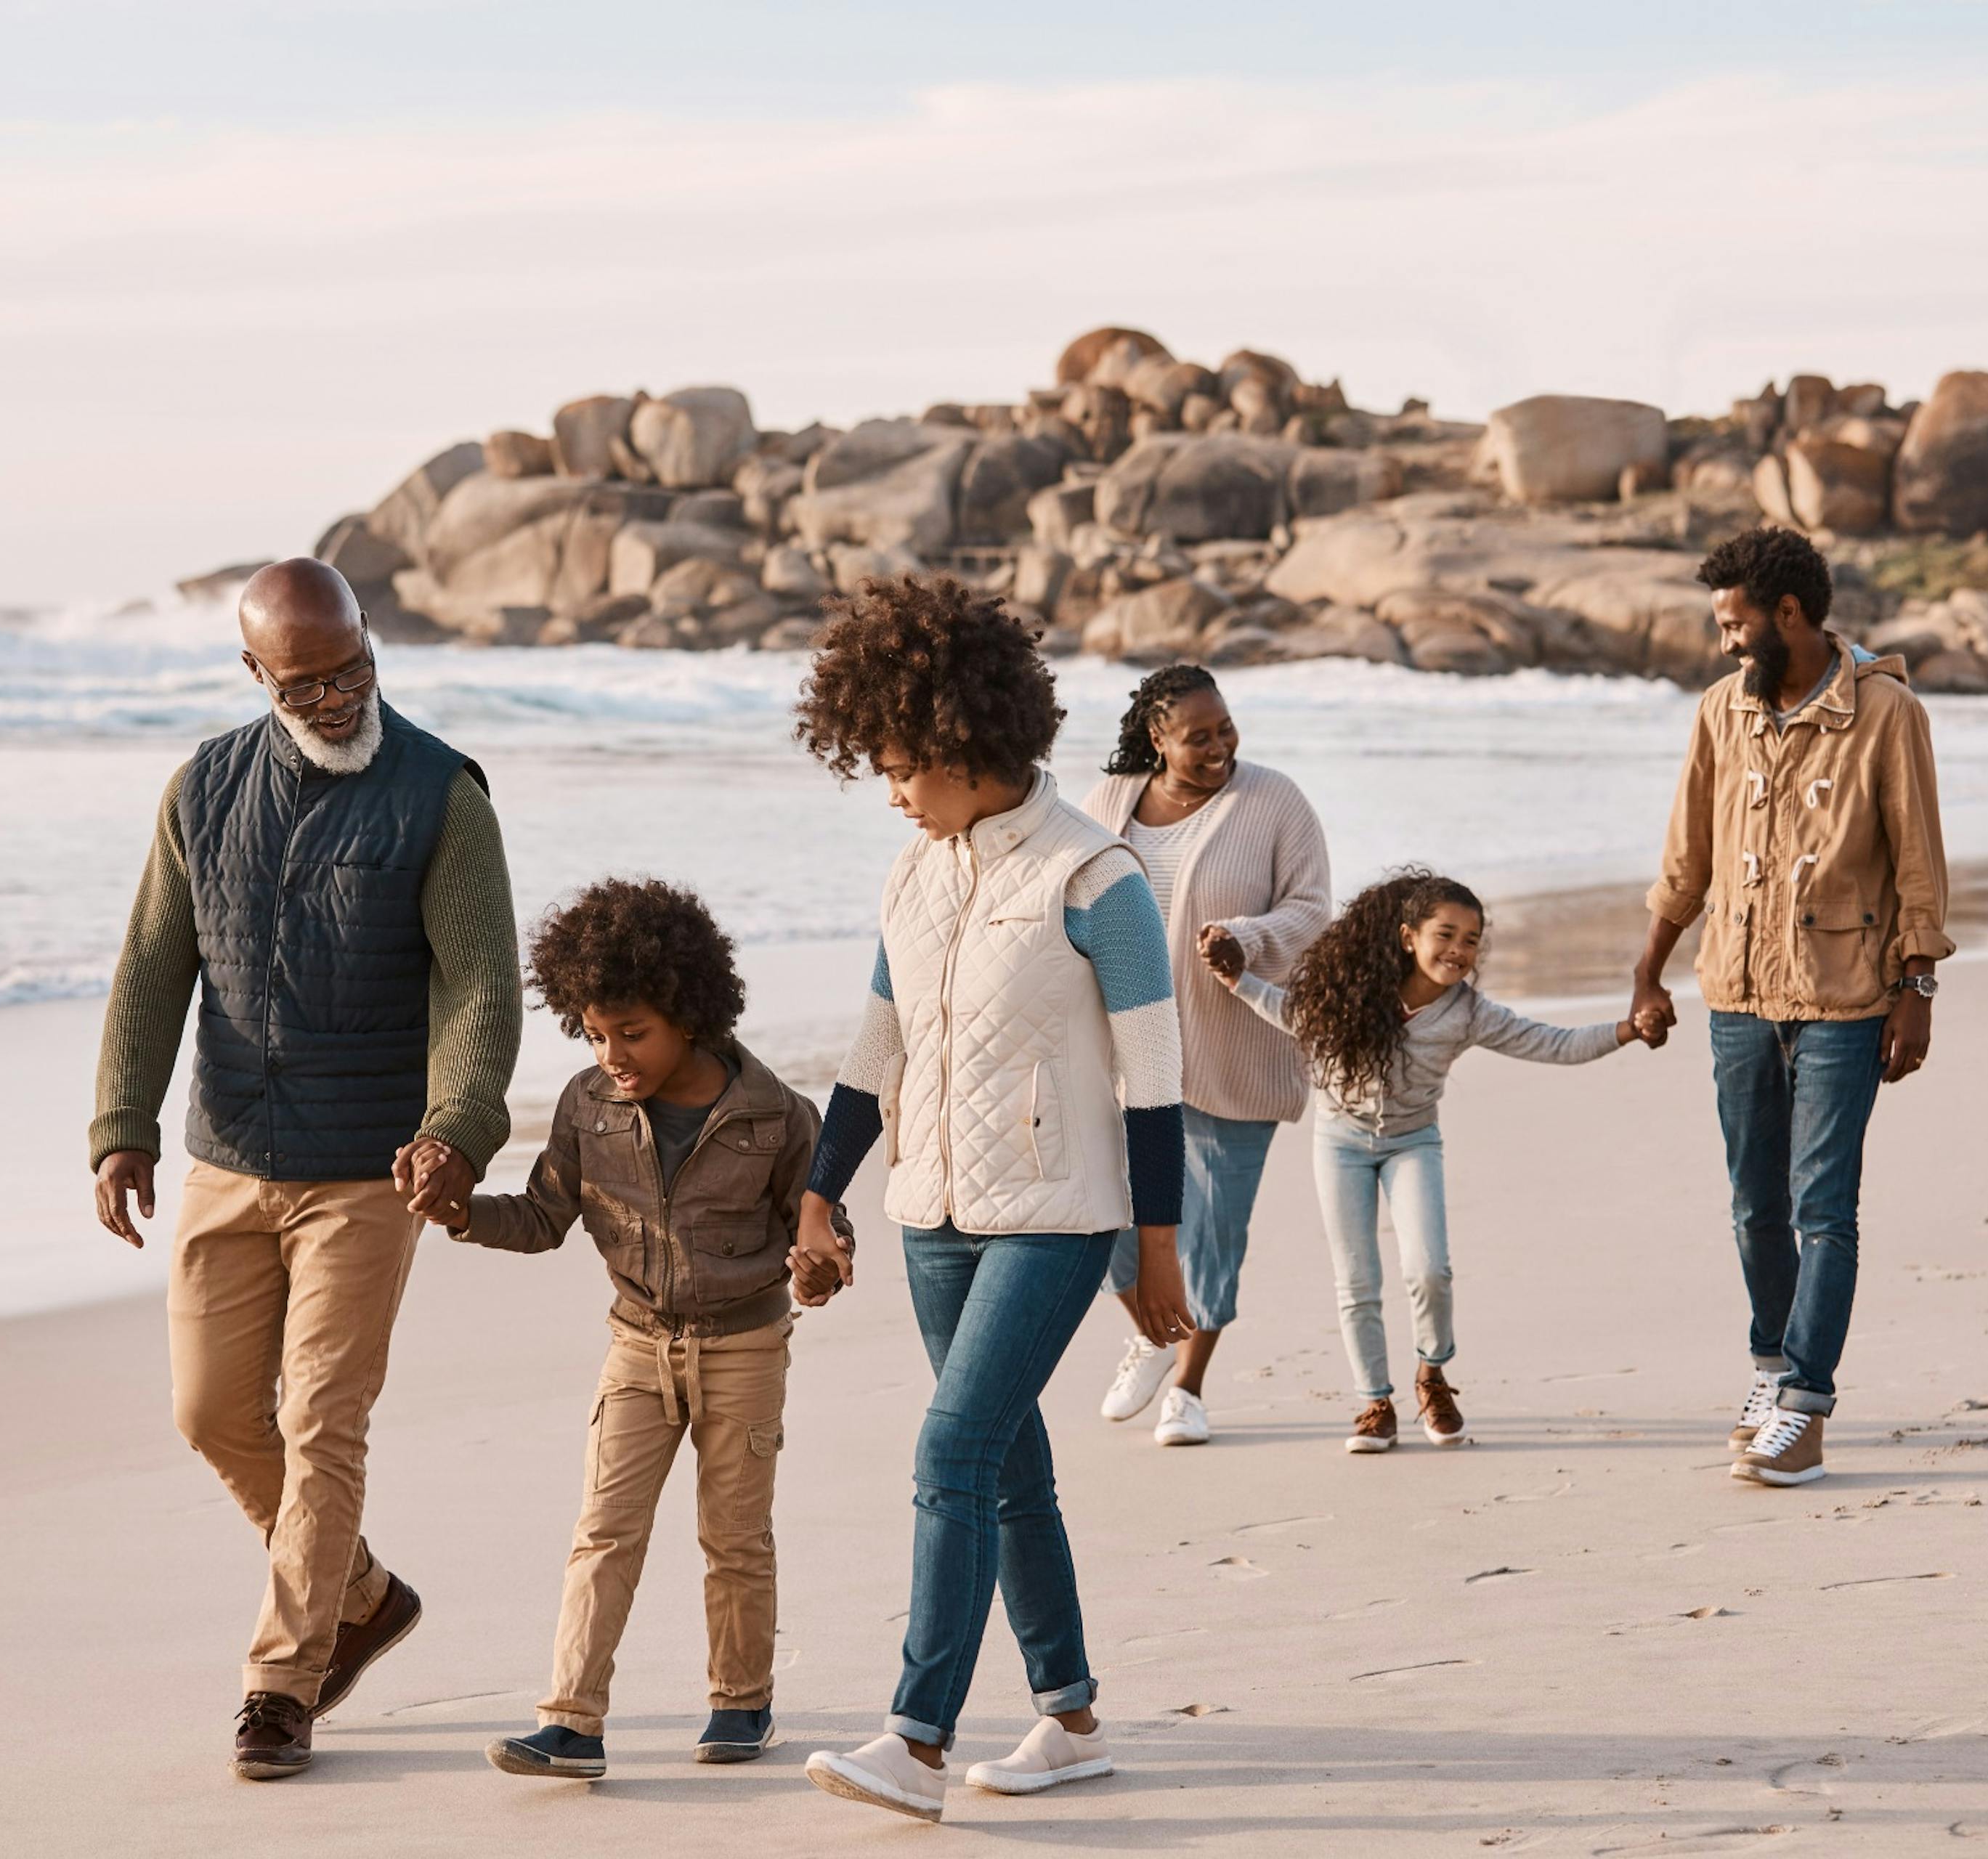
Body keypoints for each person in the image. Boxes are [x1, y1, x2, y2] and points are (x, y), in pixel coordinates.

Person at [86, 558, 522, 1781]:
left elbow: (485, 991)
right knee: (212, 1412)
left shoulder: (443, 795)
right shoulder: (202, 789)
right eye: (308, 682)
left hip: (368, 1166)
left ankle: (282, 1683)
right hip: (229, 1153)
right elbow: (151, 967)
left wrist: (457, 1129)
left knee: (323, 1419)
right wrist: (122, 1121)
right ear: (255, 674)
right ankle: (364, 1596)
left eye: (353, 671)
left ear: (370, 642)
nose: (337, 699)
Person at [782, 576, 1193, 1824]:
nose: (893, 788)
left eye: (903, 763)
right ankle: (1070, 1716)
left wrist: (1154, 1256)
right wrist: (819, 1196)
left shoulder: (1095, 877)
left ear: (965, 741)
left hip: (1060, 1216)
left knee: (950, 1447)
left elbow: (1156, 1084)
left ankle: (915, 1740)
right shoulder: (915, 875)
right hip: (933, 1210)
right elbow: (873, 1052)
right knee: (1007, 1464)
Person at [397, 879, 834, 1781]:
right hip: (636, 1347)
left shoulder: (779, 1114)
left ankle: (742, 1703)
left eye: (631, 1032)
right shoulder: (586, 1105)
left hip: (746, 1348)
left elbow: (818, 1227)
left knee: (735, 1536)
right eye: (596, 1033)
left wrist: (821, 1268)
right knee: (603, 1531)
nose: (613, 1053)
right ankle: (572, 1722)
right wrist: (460, 1213)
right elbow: (543, 1219)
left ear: (688, 1011)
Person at [1631, 525, 1950, 1488]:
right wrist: (1650, 969)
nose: (1725, 641)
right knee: (1751, 1206)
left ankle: (1806, 1407)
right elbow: (1687, 855)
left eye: (1736, 624)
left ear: (1790, 615)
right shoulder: (1720, 713)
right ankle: (1770, 1373)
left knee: (1823, 1209)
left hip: (1846, 1002)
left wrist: (1918, 989)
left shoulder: (1888, 714)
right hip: (1735, 991)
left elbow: (1920, 865)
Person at [1216, 868, 1644, 1453]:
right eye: (1445, 934)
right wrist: (1238, 979)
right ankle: (1375, 1403)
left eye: (1471, 940)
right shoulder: (1354, 994)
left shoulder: (1468, 1013)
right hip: (1339, 1143)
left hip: (1413, 1143)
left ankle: (1432, 1375)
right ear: (1407, 936)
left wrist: (1625, 1030)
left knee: (1429, 1269)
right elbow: (1293, 1014)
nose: (1458, 950)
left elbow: (1553, 1043)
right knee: (1357, 1280)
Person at [1079, 664, 1331, 1447]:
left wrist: (1246, 939)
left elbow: (1313, 907)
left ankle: (1188, 1388)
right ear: (1157, 738)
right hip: (1123, 1056)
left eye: (1225, 728)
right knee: (1099, 1215)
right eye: (1198, 737)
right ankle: (1156, 1333)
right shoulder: (1106, 806)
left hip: (1233, 1052)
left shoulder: (1275, 800)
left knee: (1213, 1233)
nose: (1220, 745)